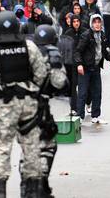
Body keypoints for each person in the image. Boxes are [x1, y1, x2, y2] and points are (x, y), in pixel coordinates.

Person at [0, 11, 47, 197]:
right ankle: (32, 189)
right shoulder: (29, 46)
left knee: (3, 147)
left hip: (5, 105)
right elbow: (41, 74)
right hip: (28, 104)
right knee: (30, 145)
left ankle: (1, 191)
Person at [25, 24, 68, 198]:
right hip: (38, 106)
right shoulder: (52, 54)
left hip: (18, 105)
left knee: (28, 146)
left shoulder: (25, 52)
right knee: (48, 144)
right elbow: (60, 83)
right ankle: (40, 183)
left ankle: (27, 185)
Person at [74, 14, 110, 123]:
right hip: (85, 68)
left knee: (97, 92)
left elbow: (104, 51)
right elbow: (77, 51)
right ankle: (80, 116)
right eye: (95, 22)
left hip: (96, 68)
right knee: (83, 93)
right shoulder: (86, 35)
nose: (97, 24)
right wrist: (79, 64)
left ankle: (95, 116)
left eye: (99, 22)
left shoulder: (102, 35)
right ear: (91, 23)